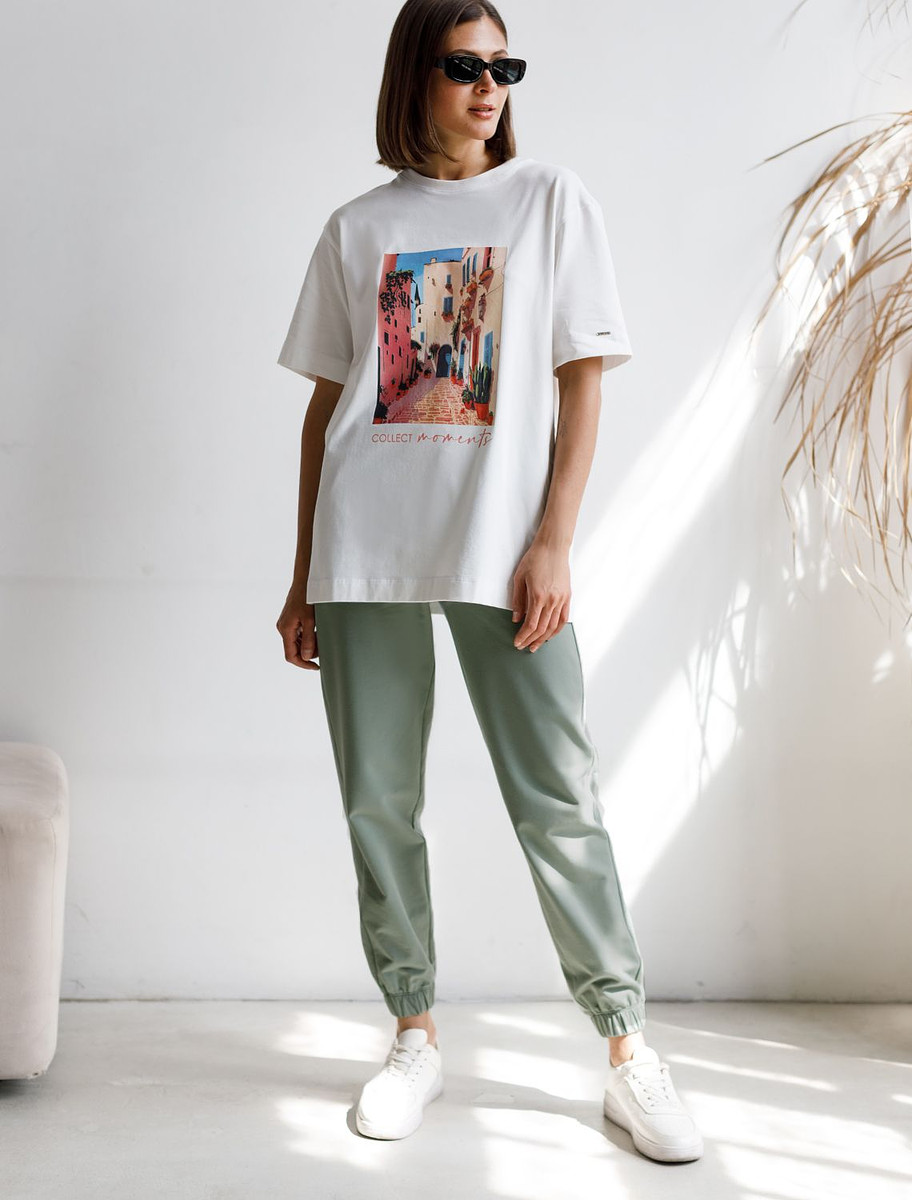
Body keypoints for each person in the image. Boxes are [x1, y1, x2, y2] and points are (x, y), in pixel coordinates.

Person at [275, 0, 703, 1164]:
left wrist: (555, 540)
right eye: (466, 65)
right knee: (378, 799)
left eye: (506, 67)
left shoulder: (550, 200)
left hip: (503, 549)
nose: (490, 87)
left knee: (558, 796)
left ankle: (627, 1050)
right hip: (364, 543)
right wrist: (304, 573)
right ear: (414, 75)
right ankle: (413, 1033)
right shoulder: (358, 226)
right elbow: (326, 410)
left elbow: (582, 379)